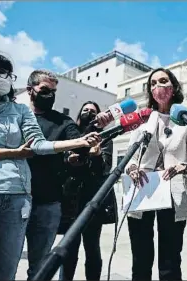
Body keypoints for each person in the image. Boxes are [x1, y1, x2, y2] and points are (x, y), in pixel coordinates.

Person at [0, 54, 100, 281]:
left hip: (18, 199)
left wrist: (80, 142)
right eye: (0, 73)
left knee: (5, 270)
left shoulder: (20, 111)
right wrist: (14, 153)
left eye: (8, 74)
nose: (6, 79)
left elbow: (38, 144)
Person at [119, 68, 187, 280]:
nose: (158, 87)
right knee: (141, 256)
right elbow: (129, 157)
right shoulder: (142, 120)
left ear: (173, 87)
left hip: (173, 192)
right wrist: (132, 169)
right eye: (153, 83)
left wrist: (183, 167)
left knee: (170, 259)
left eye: (163, 81)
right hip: (142, 188)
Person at [59, 101, 118, 281]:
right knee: (69, 249)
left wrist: (97, 155)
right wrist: (70, 158)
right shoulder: (71, 135)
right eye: (85, 110)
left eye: (93, 112)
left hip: (92, 201)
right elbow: (62, 162)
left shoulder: (105, 138)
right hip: (71, 200)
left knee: (92, 248)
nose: (89, 114)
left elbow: (104, 169)